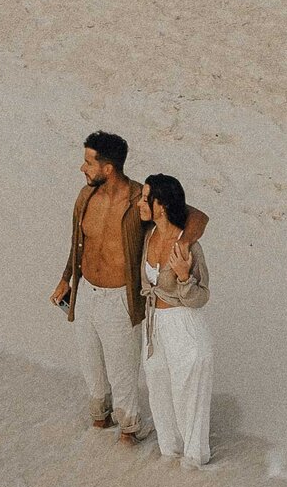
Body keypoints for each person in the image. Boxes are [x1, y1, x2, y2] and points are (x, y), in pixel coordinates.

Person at [51, 132, 207, 445]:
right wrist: (67, 276)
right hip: (85, 294)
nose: (83, 169)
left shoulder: (140, 199)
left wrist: (182, 247)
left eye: (88, 162)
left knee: (123, 374)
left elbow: (197, 217)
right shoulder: (86, 197)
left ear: (108, 168)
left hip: (119, 298)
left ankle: (129, 433)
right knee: (91, 368)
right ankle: (98, 430)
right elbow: (78, 242)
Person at [138, 173, 214, 467]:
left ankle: (195, 466)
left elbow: (201, 297)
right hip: (154, 326)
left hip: (185, 325)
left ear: (161, 205)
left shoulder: (188, 246)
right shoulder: (149, 235)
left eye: (146, 198)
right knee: (160, 392)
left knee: (188, 397)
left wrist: (183, 276)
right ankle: (169, 467)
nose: (140, 203)